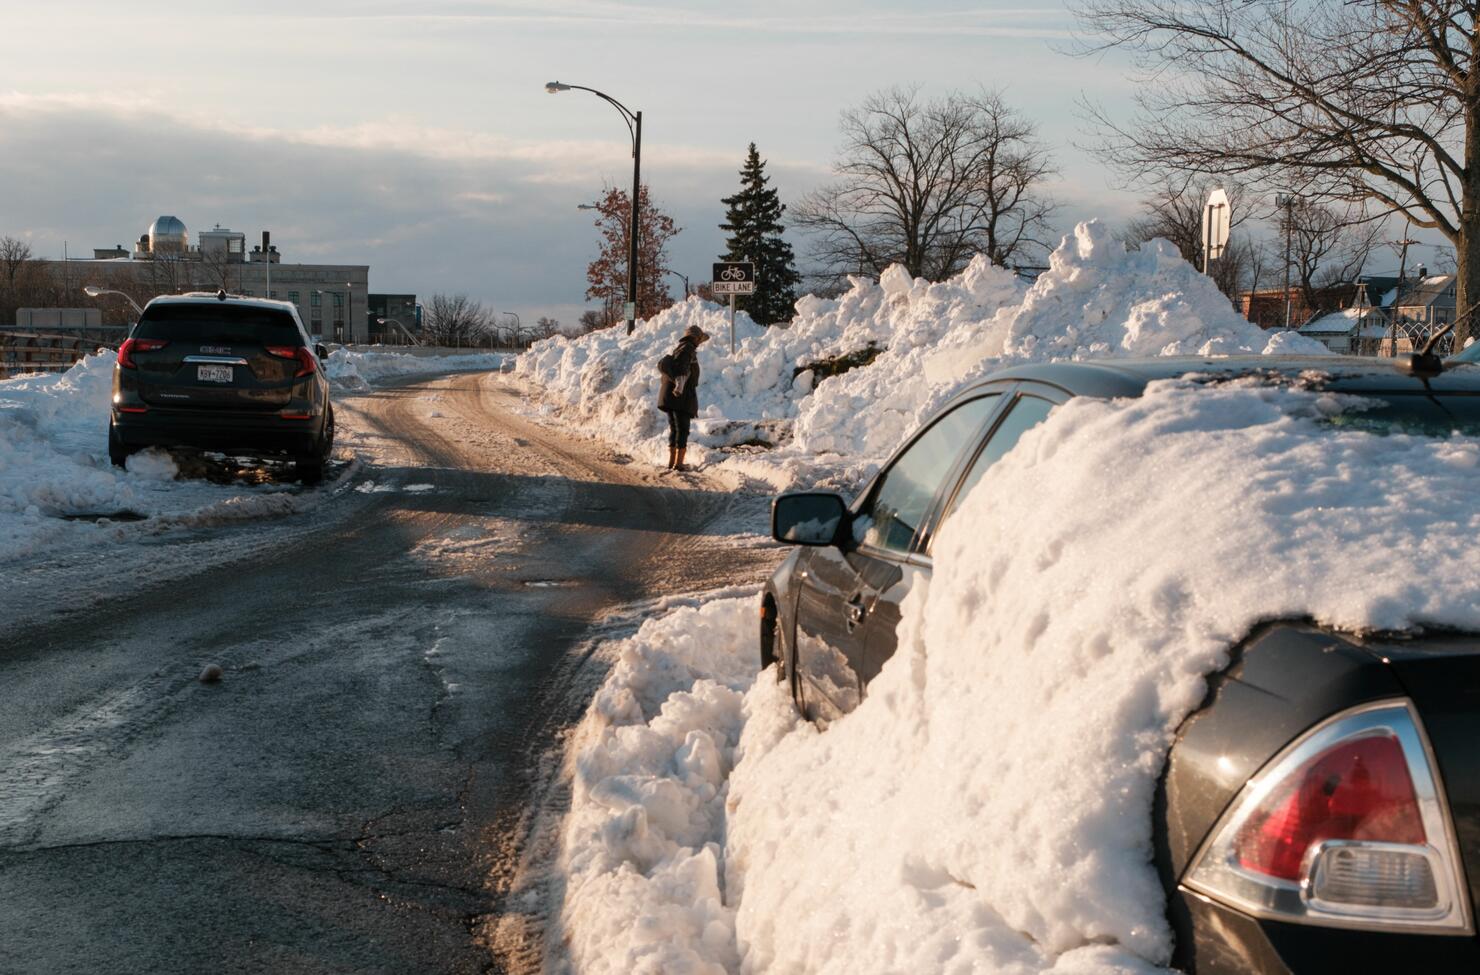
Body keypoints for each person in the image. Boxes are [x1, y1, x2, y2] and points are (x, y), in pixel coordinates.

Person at [657, 324, 709, 471]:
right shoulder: (687, 349)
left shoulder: (681, 348)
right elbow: (682, 369)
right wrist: (679, 386)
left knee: (675, 428)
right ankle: (678, 464)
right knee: (682, 428)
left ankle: (672, 462)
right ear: (695, 338)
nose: (699, 342)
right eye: (699, 339)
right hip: (680, 395)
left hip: (671, 394)